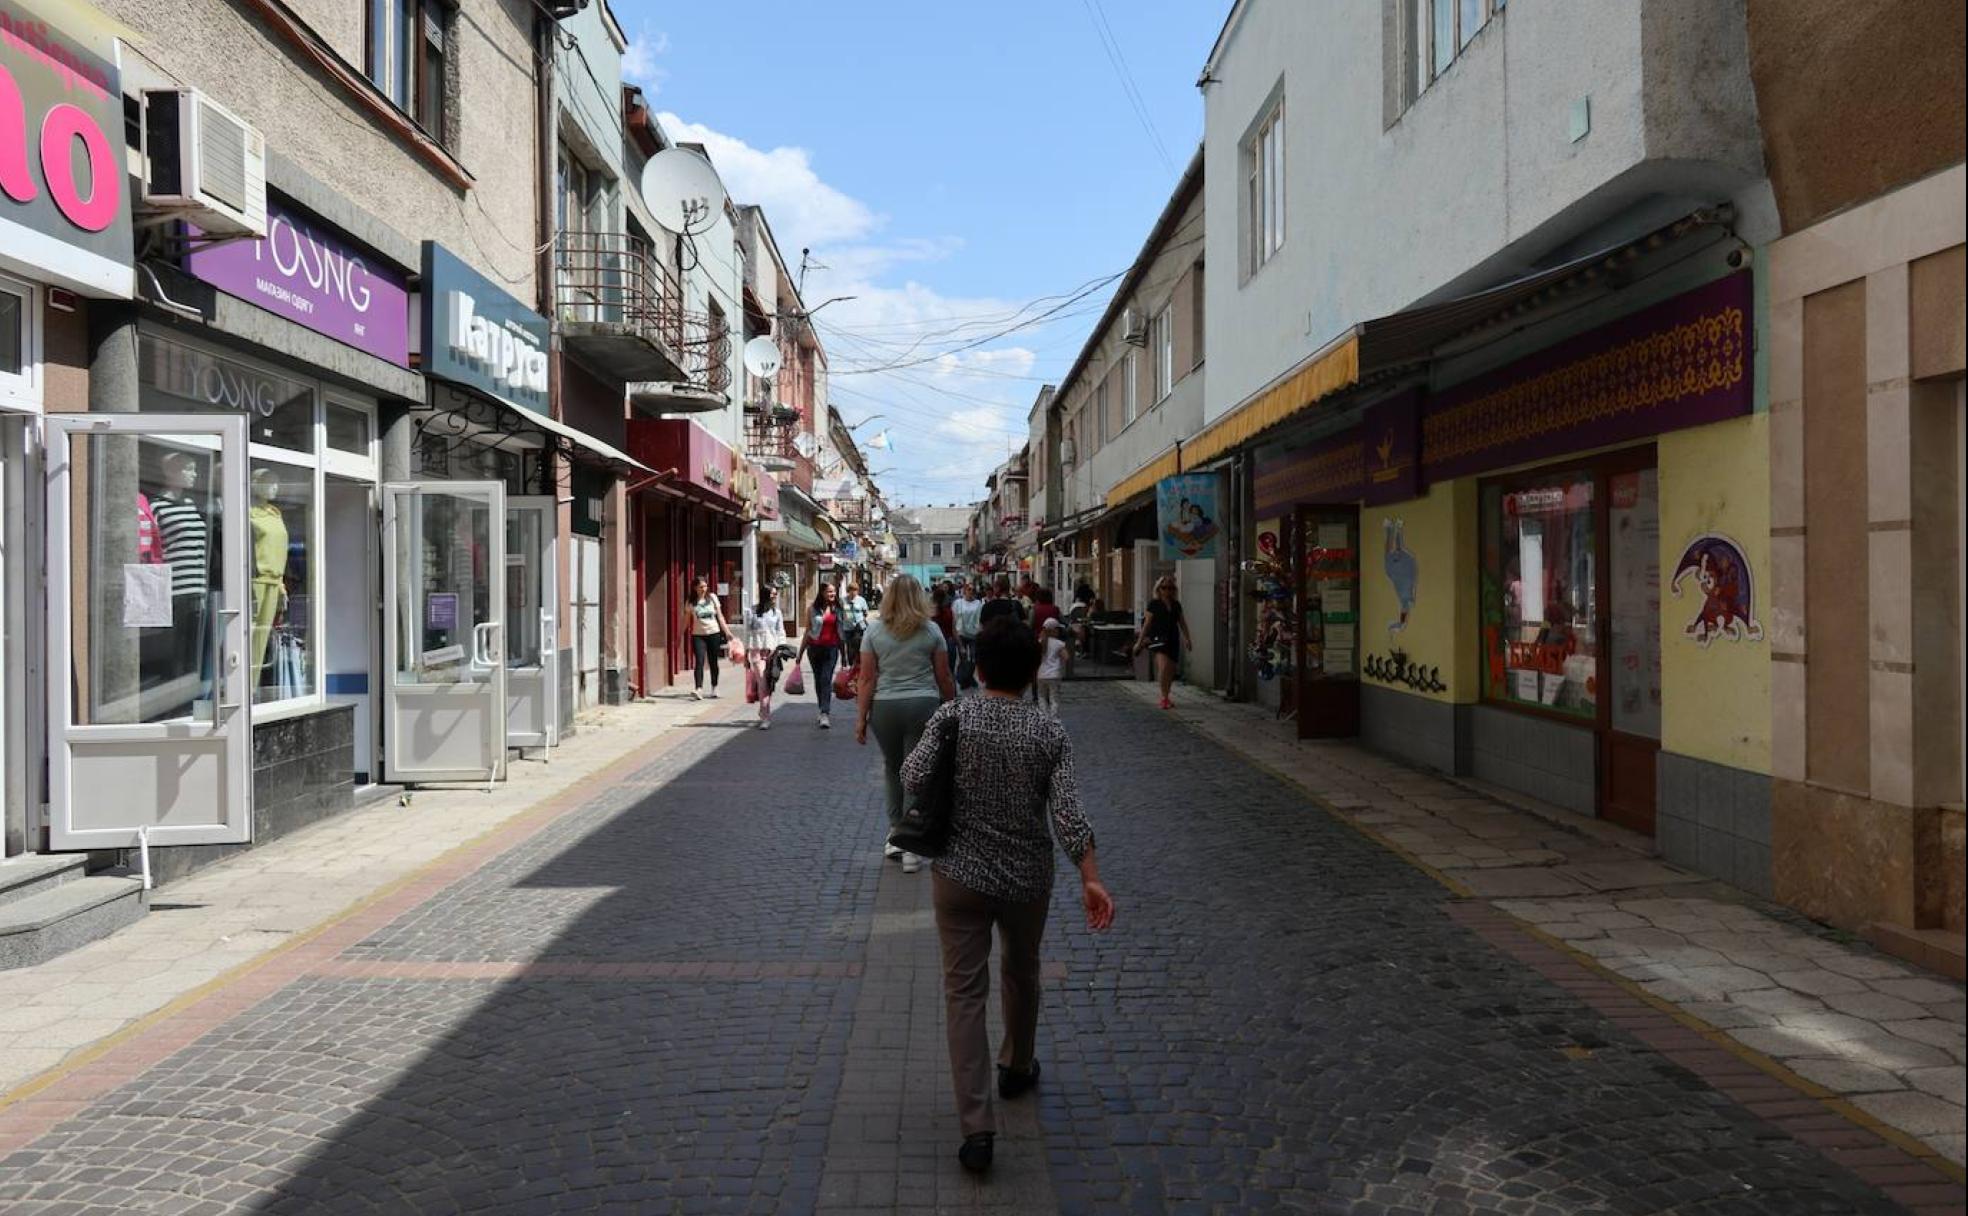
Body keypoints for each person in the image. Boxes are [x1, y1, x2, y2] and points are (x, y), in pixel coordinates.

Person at [901, 618, 1114, 1174]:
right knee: (1022, 971)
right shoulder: (1048, 732)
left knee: (964, 994)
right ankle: (1017, 1066)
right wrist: (1090, 875)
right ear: (1029, 675)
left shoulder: (954, 715)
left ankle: (977, 1129)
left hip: (959, 874)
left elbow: (912, 775)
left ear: (979, 667)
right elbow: (1067, 813)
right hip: (1026, 877)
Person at [856, 575, 956, 875]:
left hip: (885, 707)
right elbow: (944, 677)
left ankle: (896, 835)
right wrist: (951, 708)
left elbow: (866, 679)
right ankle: (912, 845)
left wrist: (861, 719)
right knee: (917, 773)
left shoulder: (873, 631)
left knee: (893, 767)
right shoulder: (931, 630)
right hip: (923, 705)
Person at [1133, 574, 1193, 710]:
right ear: (1159, 589)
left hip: (1173, 638)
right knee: (1164, 667)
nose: (1167, 591)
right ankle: (1164, 697)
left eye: (1171, 588)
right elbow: (1147, 625)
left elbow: (1182, 623)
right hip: (1159, 640)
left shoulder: (1176, 604)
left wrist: (1187, 638)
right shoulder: (1154, 604)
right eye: (1164, 587)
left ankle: (1167, 695)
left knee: (1171, 670)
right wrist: (1139, 642)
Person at [798, 583, 846, 729]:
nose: (833, 594)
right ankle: (821, 708)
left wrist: (844, 655)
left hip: (831, 649)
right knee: (818, 680)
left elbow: (841, 633)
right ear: (822, 593)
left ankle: (825, 713)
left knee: (826, 679)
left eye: (834, 592)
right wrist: (800, 653)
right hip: (814, 649)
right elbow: (807, 631)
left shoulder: (838, 609)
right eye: (830, 592)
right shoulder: (812, 609)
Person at [744, 592, 787, 730]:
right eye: (772, 594)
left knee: (769, 683)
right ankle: (766, 716)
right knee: (763, 682)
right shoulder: (752, 611)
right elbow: (747, 632)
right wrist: (745, 655)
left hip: (772, 651)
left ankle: (763, 709)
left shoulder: (776, 613)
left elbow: (781, 631)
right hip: (756, 650)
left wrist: (781, 647)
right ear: (765, 595)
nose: (775, 597)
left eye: (776, 594)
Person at [686, 576, 730, 700]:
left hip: (713, 633)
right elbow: (686, 620)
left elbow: (720, 617)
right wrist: (679, 635)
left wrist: (727, 632)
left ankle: (714, 687)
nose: (703, 589)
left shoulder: (712, 598)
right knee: (699, 661)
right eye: (701, 587)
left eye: (705, 586)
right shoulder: (691, 602)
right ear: (695, 588)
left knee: (713, 661)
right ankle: (698, 689)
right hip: (698, 635)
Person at [952, 580, 984, 690]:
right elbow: (954, 618)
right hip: (961, 633)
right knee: (963, 658)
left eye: (973, 590)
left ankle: (969, 677)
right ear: (964, 591)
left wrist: (980, 631)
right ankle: (966, 679)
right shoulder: (958, 603)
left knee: (974, 658)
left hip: (974, 634)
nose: (971, 591)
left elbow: (980, 618)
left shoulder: (978, 603)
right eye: (969, 589)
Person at [1035, 618, 1067, 717]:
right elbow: (1066, 657)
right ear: (1054, 630)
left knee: (1041, 696)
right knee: (1054, 698)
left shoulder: (1039, 642)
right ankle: (1053, 717)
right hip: (1054, 674)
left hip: (1041, 674)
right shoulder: (1058, 643)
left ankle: (1044, 715)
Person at [841, 580, 871, 667]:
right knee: (850, 648)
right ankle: (851, 665)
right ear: (848, 590)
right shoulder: (843, 600)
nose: (853, 592)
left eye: (855, 590)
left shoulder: (861, 600)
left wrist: (862, 620)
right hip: (848, 628)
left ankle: (859, 664)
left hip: (859, 629)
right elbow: (839, 613)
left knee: (859, 646)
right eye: (851, 590)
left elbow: (865, 612)